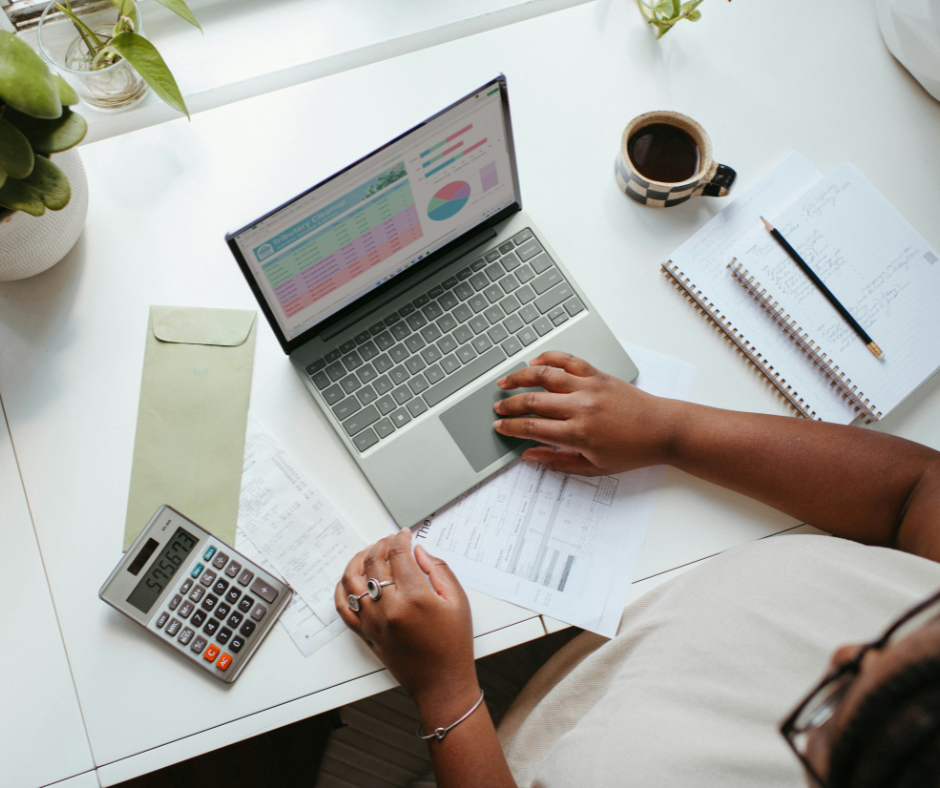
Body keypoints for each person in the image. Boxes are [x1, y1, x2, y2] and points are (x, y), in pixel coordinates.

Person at [335, 352, 940, 788]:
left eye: (834, 706)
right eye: (910, 626)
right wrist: (670, 430)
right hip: (609, 640)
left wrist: (445, 693)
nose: (840, 653)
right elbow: (920, 491)